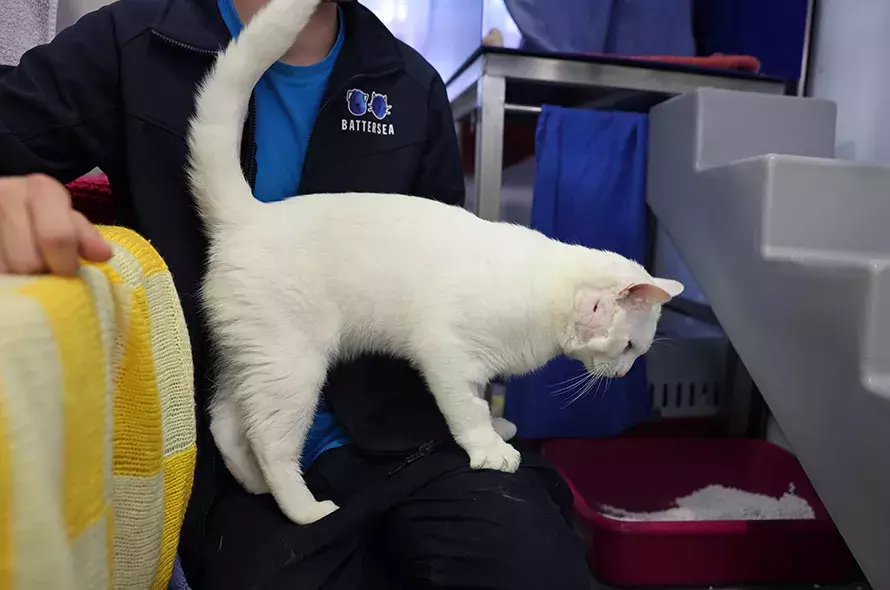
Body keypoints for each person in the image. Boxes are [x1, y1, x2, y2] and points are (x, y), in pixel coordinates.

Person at [0, 0, 593, 587]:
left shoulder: (409, 82)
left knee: (533, 557)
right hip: (228, 455)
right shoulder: (137, 40)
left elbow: (452, 288)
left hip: (401, 430)